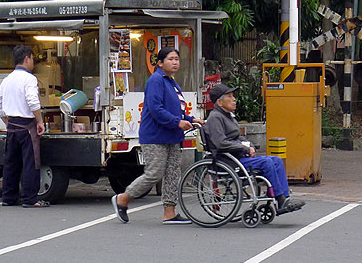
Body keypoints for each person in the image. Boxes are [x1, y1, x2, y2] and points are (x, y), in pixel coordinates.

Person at [112, 47, 204, 224]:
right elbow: (156, 109)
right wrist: (177, 122)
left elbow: (177, 109)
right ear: (160, 63)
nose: (175, 62)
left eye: (177, 59)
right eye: (170, 59)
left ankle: (169, 212)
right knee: (154, 173)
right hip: (155, 136)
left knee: (172, 174)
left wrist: (193, 119)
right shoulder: (156, 80)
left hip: (173, 136)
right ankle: (123, 198)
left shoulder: (171, 82)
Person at [204, 83, 305, 215]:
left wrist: (249, 144)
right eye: (229, 96)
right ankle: (279, 199)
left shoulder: (228, 116)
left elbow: (237, 137)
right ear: (220, 102)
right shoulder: (215, 118)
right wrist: (244, 149)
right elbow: (221, 143)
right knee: (266, 163)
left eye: (233, 96)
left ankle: (284, 198)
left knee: (276, 160)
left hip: (237, 157)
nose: (234, 99)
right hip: (227, 161)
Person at [0, 45, 48, 208]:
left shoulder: (7, 79)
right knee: (31, 163)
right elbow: (32, 101)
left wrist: (7, 122)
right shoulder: (29, 79)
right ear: (27, 59)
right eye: (32, 59)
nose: (33, 62)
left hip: (12, 127)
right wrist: (39, 121)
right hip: (27, 126)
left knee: (11, 163)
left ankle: (8, 197)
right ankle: (30, 199)